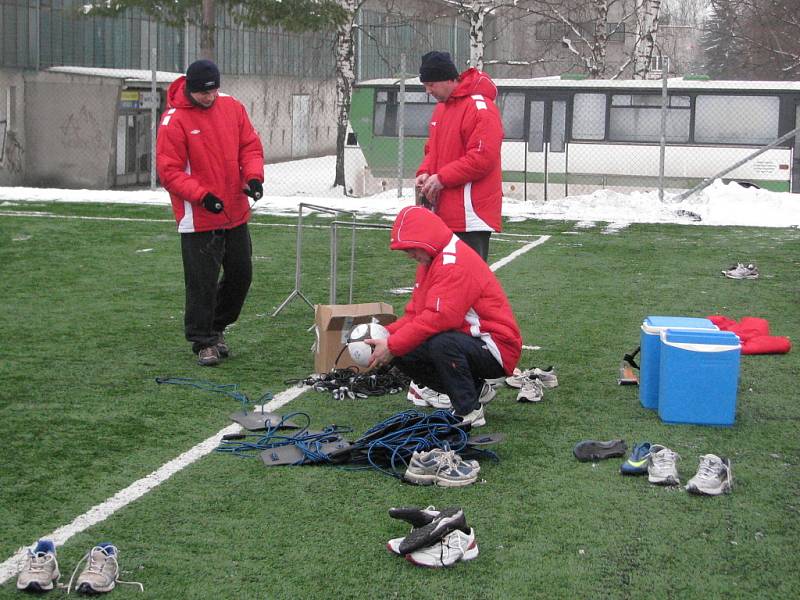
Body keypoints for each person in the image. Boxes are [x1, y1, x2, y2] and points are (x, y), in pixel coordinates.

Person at [367, 206, 522, 426]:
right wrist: (382, 337)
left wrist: (391, 344)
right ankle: (476, 391)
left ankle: (469, 410)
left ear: (425, 238)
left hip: (497, 347)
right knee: (405, 349)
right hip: (473, 340)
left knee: (441, 343)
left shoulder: (453, 262)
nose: (410, 255)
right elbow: (415, 314)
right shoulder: (433, 259)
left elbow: (440, 318)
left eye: (411, 248)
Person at [157, 59, 265, 366]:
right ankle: (202, 341)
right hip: (199, 216)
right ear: (190, 89)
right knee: (201, 281)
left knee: (241, 275)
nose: (209, 97)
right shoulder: (173, 120)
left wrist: (254, 177)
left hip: (235, 210)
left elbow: (250, 147)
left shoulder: (232, 107)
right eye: (203, 92)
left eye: (213, 90)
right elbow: (169, 172)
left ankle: (217, 327)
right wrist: (202, 197)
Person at [415, 51, 504, 262]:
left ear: (448, 79)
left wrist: (442, 178)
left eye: (431, 84)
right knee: (443, 280)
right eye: (425, 85)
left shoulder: (480, 107)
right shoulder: (441, 109)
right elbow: (433, 150)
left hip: (470, 216)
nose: (428, 91)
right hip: (444, 212)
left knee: (467, 282)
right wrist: (425, 172)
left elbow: (483, 157)